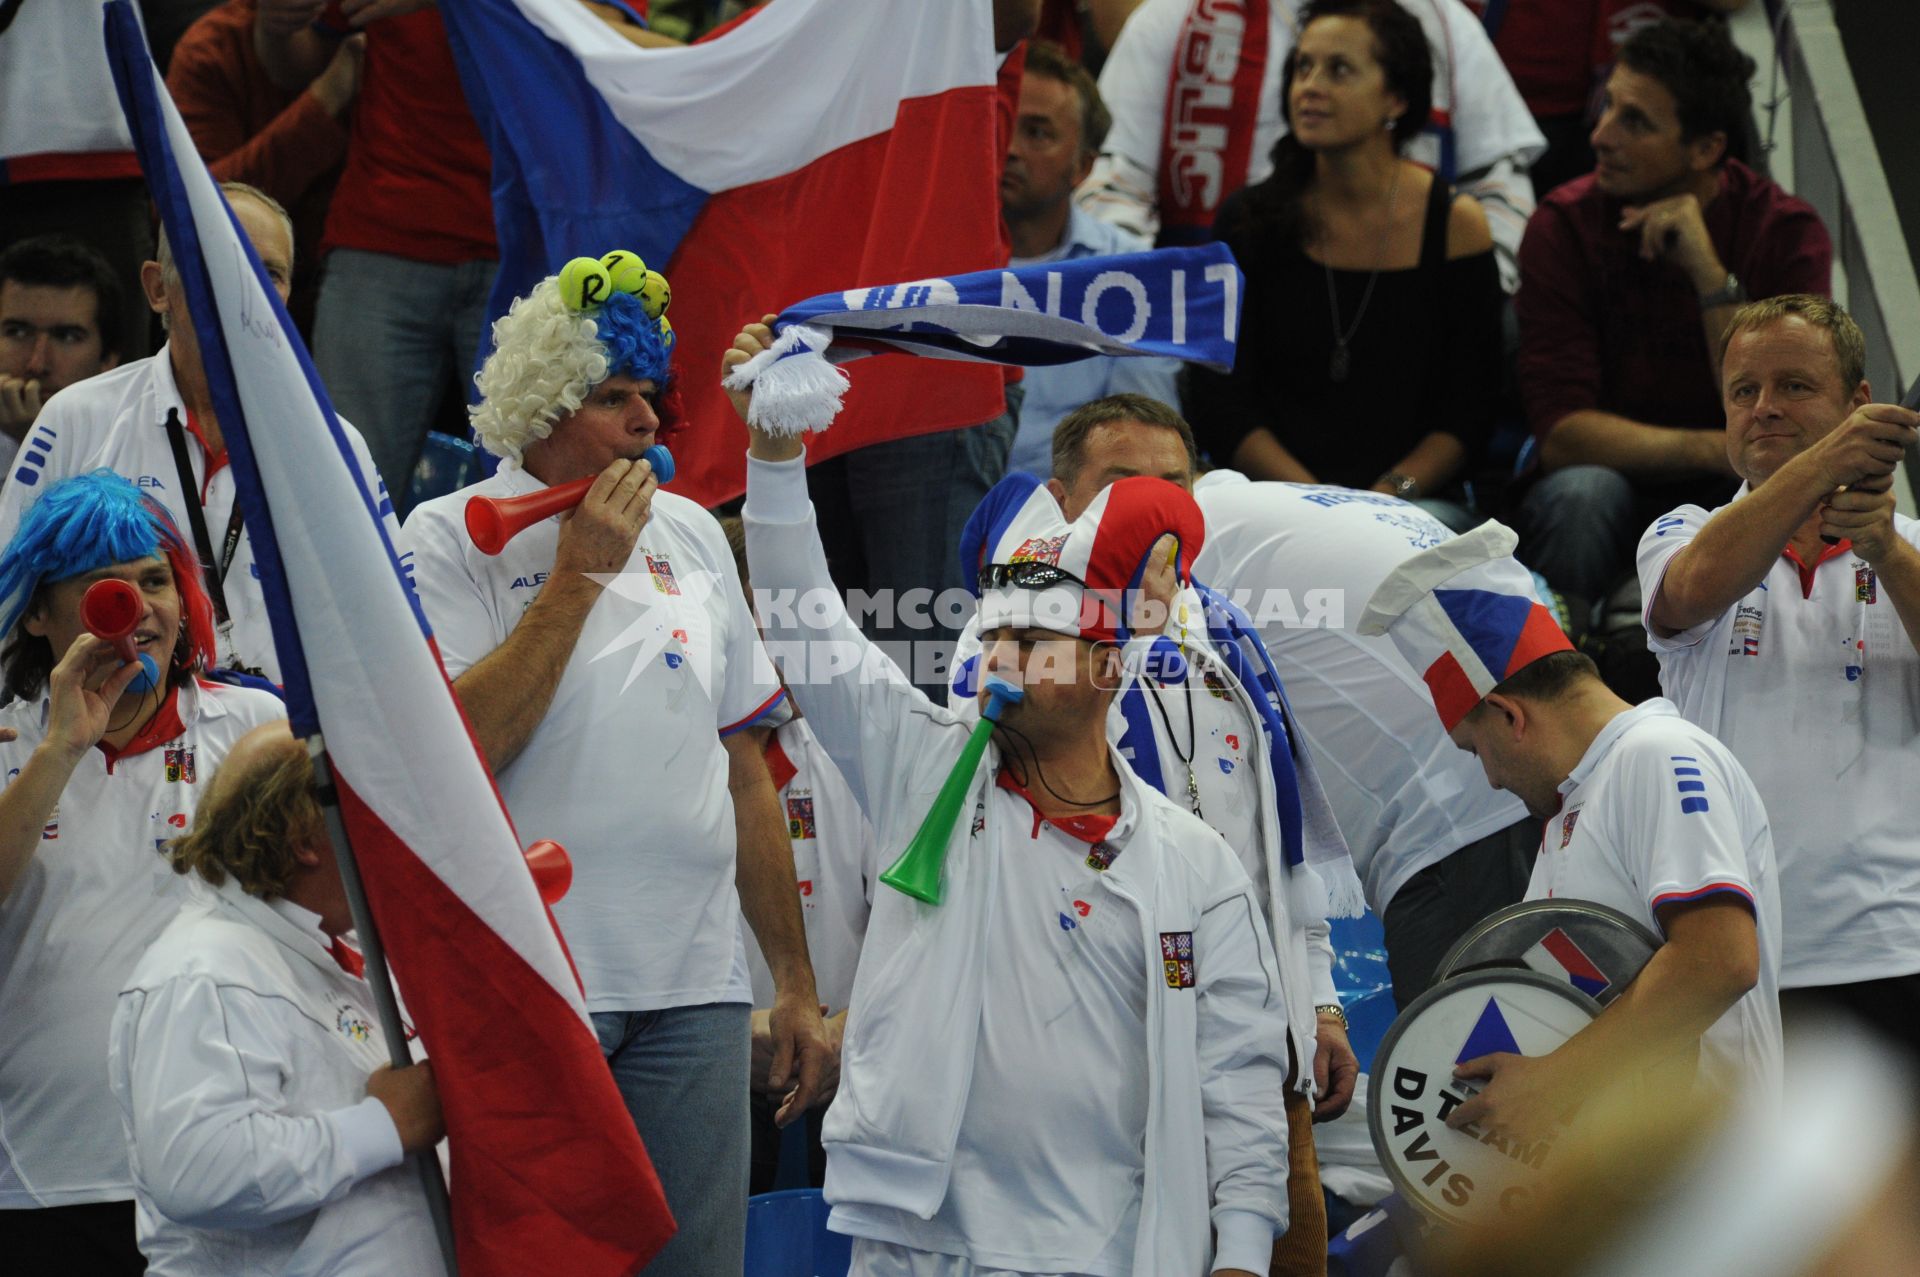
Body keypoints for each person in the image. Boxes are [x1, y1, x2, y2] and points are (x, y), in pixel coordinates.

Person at [739, 329, 1289, 1277]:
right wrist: (775, 453)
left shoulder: (1195, 864)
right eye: (995, 638)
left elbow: (1236, 1081)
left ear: (1109, 665)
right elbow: (804, 618)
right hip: (920, 1245)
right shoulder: (924, 770)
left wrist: (1240, 1254)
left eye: (1035, 639)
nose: (1002, 660)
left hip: (1114, 1253)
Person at [399, 261, 828, 1275]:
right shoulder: (444, 536)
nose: (647, 422)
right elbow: (454, 743)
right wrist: (579, 574)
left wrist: (796, 982)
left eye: (651, 397)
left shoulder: (691, 533)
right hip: (538, 978)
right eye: (614, 399)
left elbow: (746, 770)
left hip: (699, 983)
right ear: (545, 406)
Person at [943, 393, 1353, 1275]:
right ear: (1060, 500)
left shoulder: (1230, 634)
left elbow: (1276, 840)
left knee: (1282, 1252)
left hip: (1252, 1026)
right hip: (1107, 1028)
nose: (1153, 509)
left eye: (1174, 485)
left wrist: (1315, 996)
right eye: (1121, 484)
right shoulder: (1011, 631)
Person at [1359, 520, 1782, 1145]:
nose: (1493, 780)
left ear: (1509, 716)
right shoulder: (1576, 805)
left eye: (1476, 751)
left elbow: (1718, 960)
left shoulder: (1656, 755)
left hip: (1717, 1174)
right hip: (1641, 1181)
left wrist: (1553, 1082)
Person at [0, 471, 288, 1275]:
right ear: (36, 612)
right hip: (43, 1175)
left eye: (155, 580)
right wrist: (60, 747)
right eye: (103, 589)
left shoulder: (256, 729)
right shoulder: (8, 742)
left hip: (226, 1163)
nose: (138, 608)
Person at [1637, 294, 1920, 1057]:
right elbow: (1690, 592)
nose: (1764, 408)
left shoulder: (1913, 548)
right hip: (1729, 958)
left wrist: (1886, 549)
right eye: (1744, 391)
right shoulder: (1680, 532)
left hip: (1894, 949)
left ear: (1857, 402)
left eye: (1794, 386)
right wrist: (1828, 461)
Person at [0, 181, 399, 683]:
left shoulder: (335, 447)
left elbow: (390, 625)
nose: (243, 292)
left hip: (281, 744)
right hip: (116, 738)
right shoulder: (76, 419)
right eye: (214, 266)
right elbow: (8, 598)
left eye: (268, 274)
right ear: (158, 288)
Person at [1512, 18, 1831, 606]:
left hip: (1736, 485)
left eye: (1634, 121)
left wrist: (1710, 277)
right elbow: (1564, 435)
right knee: (1584, 493)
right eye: (1606, 107)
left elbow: (1784, 412)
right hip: (1610, 480)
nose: (1601, 135)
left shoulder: (1786, 231)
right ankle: (1556, 671)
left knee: (1769, 487)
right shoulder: (1563, 226)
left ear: (1707, 148)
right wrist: (1722, 445)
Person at [1191, 470, 1539, 1006]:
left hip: (1452, 828)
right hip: (1549, 774)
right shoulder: (1306, 505)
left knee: (1465, 1070)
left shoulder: (1189, 540)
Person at [109, 720, 444, 1276]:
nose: (387, 827)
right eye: (362, 807)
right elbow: (198, 1171)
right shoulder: (203, 973)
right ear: (306, 842)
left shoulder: (326, 943)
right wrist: (383, 1124)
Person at [1184, 0, 1501, 529]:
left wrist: (1382, 498)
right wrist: (1318, 504)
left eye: (1339, 70)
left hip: (1410, 503)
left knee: (1435, 534)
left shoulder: (1455, 224)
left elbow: (1467, 415)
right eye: (1303, 67)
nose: (1310, 86)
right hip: (1274, 499)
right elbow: (1222, 403)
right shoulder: (1248, 220)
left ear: (1396, 96)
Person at [1084, 0, 1543, 289]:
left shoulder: (1443, 23)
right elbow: (1112, 184)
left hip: (1402, 299)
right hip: (1199, 302)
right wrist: (1154, 303)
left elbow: (1499, 187)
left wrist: (1472, 295)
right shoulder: (1174, 16)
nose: (1313, 87)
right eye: (1304, 69)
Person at [254, 0, 498, 507]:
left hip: (527, 244)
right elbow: (294, 62)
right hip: (384, 239)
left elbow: (616, 43)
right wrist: (278, 26)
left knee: (546, 494)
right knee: (338, 499)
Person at [718, 514, 874, 1194]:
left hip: (858, 1064)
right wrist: (724, 1042)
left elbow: (932, 935)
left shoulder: (865, 753)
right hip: (701, 1070)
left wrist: (850, 1031)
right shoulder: (644, 762)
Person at [1002, 40, 1180, 480]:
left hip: (1078, 520)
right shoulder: (931, 262)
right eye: (1000, 124)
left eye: (1037, 133)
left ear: (1082, 167)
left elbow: (1143, 441)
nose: (1009, 149)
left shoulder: (1131, 272)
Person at [168, 0, 363, 337]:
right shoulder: (213, 48)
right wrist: (325, 101)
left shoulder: (389, 32)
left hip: (354, 282)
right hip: (237, 293)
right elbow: (188, 209)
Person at [0, 235, 124, 465]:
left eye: (66, 337)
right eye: (17, 332)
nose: (37, 365)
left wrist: (40, 445)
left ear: (108, 359)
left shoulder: (135, 447)